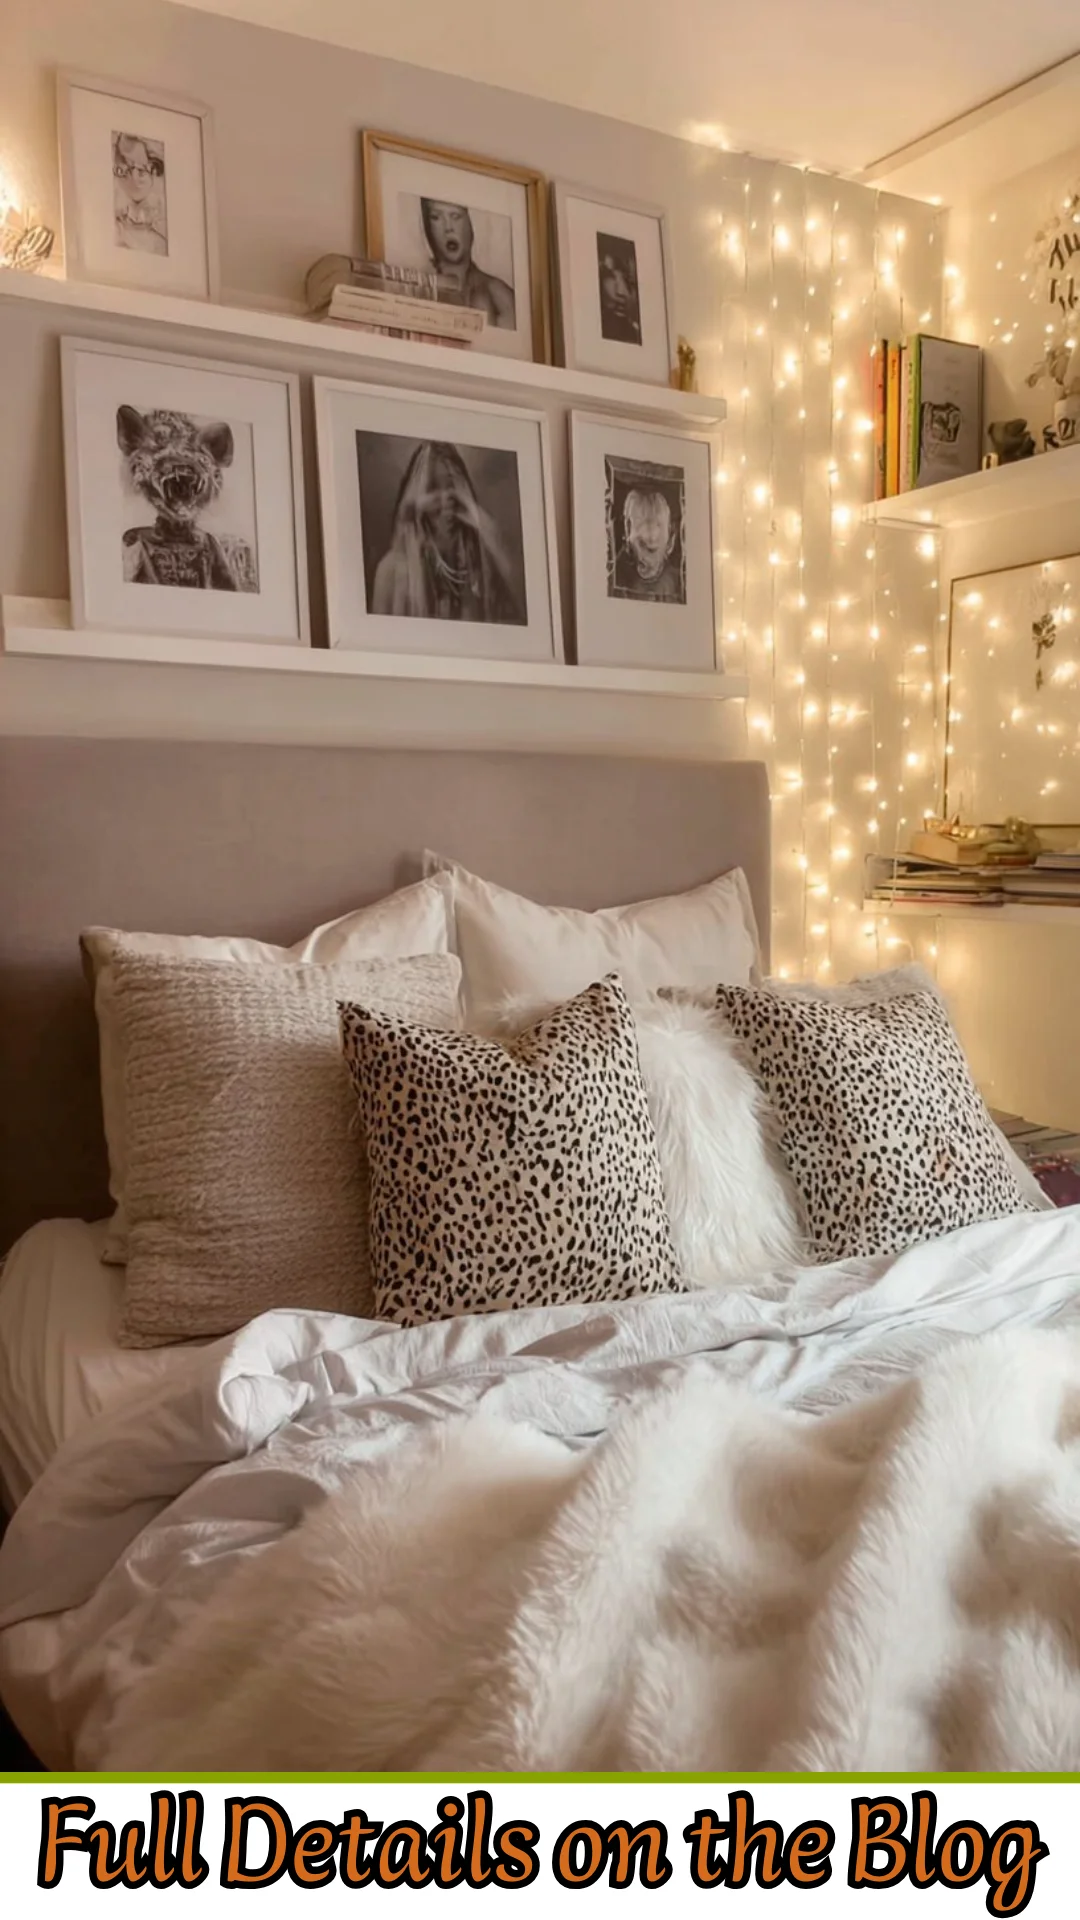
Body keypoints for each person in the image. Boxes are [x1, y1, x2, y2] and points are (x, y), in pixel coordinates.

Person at [369, 440, 524, 624]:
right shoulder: (391, 571)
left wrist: (483, 526)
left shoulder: (482, 570)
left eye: (451, 485)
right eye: (433, 487)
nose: (447, 498)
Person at [419, 198, 516, 330]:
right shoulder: (417, 290)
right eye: (436, 217)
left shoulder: (499, 295)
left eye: (456, 216)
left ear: (471, 223)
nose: (448, 228)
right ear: (427, 226)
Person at [612, 487, 683, 602]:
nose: (651, 536)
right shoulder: (617, 578)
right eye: (641, 524)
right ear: (627, 532)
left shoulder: (679, 582)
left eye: (658, 524)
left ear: (671, 538)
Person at [113, 132, 168, 256]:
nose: (134, 177)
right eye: (124, 170)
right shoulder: (117, 229)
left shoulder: (159, 239)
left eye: (142, 169)